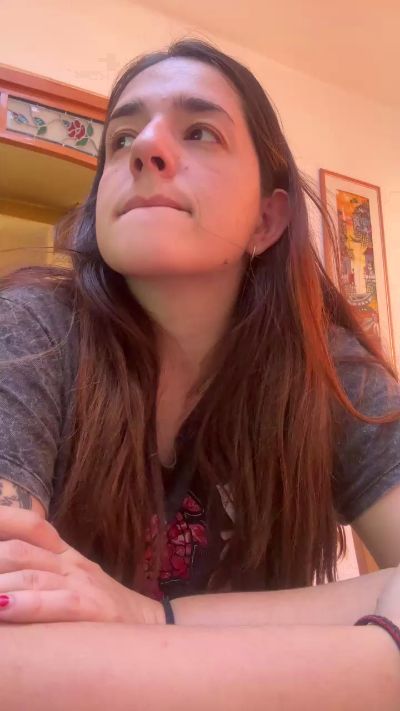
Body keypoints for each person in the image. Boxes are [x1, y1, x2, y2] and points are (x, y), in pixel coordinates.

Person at [0, 39, 399, 707]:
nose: (143, 148)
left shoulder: (332, 376)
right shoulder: (29, 334)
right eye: (121, 137)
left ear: (267, 220)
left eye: (200, 132)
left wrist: (152, 617)